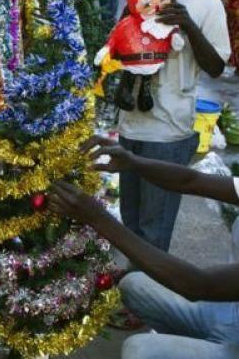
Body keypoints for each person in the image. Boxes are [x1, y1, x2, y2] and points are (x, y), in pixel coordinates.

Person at [49, 135, 239, 359]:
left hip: (214, 302)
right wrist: (132, 162)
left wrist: (98, 218)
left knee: (140, 350)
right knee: (134, 285)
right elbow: (190, 180)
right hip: (231, 314)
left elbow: (198, 285)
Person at [116, 0, 231, 253]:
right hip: (131, 125)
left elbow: (216, 67)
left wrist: (188, 24)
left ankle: (147, 298)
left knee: (155, 228)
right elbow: (116, 55)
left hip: (169, 133)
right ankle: (134, 290)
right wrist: (130, 18)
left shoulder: (208, 6)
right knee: (131, 222)